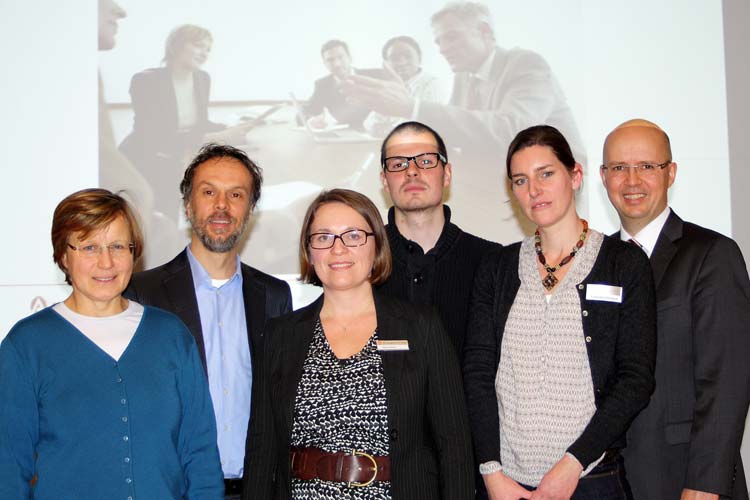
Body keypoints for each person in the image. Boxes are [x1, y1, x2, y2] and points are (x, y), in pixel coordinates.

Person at [464, 125, 656, 499]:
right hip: (505, 486)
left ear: (576, 176)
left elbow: (635, 379)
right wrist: (491, 472)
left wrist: (573, 464)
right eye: (520, 180)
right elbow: (477, 373)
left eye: (546, 174)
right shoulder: (497, 268)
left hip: (591, 481)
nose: (534, 190)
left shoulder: (624, 263)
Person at [244, 189, 473, 499]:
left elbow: (454, 446)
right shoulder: (280, 336)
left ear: (376, 244)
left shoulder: (422, 327)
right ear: (310, 252)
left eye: (353, 235)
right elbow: (262, 450)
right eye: (323, 237)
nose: (338, 249)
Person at [0, 188, 224, 499]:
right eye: (89, 247)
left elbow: (200, 457)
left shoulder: (171, 336)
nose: (106, 262)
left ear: (135, 252)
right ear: (63, 256)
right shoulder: (26, 345)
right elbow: (8, 470)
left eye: (118, 246)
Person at [125, 144, 292, 499]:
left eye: (236, 194)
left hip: (257, 489)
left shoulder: (274, 296)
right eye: (208, 192)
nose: (222, 205)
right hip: (173, 490)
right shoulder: (142, 292)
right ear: (188, 205)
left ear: (250, 210)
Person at [600, 119, 750, 500]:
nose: (631, 181)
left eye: (647, 166)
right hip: (610, 481)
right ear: (603, 177)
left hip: (686, 479)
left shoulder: (711, 255)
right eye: (619, 168)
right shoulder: (596, 262)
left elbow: (727, 382)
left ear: (671, 173)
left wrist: (704, 485)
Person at [342, 2, 584, 162]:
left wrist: (411, 107)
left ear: (485, 32)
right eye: (438, 42)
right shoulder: (464, 76)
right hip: (496, 180)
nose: (443, 49)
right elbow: (455, 131)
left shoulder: (526, 63)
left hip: (549, 186)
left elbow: (512, 130)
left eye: (452, 37)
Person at [376, 121, 501, 357]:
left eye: (425, 161)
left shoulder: (489, 260)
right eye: (398, 164)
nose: (411, 171)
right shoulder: (363, 259)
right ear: (384, 180)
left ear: (447, 174)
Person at [119, 24, 251, 226]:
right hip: (146, 160)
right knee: (147, 223)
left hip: (175, 160)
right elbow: (156, 135)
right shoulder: (146, 81)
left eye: (208, 49)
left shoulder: (202, 79)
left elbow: (198, 123)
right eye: (198, 46)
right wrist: (220, 137)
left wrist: (232, 127)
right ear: (176, 46)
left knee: (170, 219)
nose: (204, 53)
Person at [364, 37, 445, 136]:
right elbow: (369, 122)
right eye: (394, 58)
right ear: (387, 64)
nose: (401, 62)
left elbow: (427, 124)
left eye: (408, 56)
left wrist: (391, 129)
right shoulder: (390, 86)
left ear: (419, 59)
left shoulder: (432, 83)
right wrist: (378, 127)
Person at [302, 39, 383, 130]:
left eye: (340, 57)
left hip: (377, 133)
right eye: (330, 60)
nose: (337, 64)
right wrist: (311, 120)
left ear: (350, 57)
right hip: (343, 136)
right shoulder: (322, 85)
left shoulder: (375, 76)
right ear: (324, 64)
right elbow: (304, 113)